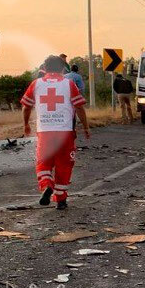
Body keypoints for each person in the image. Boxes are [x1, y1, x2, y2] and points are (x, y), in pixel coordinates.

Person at [22, 55, 90, 210]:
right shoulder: (69, 84)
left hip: (44, 131)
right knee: (64, 165)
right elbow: (79, 107)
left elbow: (26, 106)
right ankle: (61, 199)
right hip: (65, 132)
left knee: (43, 163)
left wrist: (26, 124)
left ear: (44, 68)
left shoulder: (36, 84)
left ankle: (47, 185)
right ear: (62, 68)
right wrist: (86, 127)